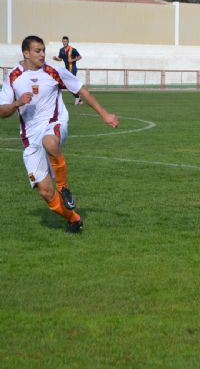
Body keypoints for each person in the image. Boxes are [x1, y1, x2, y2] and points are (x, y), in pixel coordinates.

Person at [0, 35, 119, 233]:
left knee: (50, 142)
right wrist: (17, 103)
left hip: (54, 124)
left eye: (43, 50)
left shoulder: (55, 71)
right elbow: (2, 111)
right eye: (37, 51)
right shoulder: (13, 76)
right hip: (30, 139)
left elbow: (82, 91)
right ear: (26, 53)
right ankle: (74, 219)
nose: (42, 54)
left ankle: (64, 187)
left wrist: (105, 114)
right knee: (46, 192)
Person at [53, 36, 83, 105]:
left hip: (73, 69)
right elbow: (60, 59)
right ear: (62, 42)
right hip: (67, 70)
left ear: (68, 41)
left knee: (69, 84)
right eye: (63, 41)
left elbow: (80, 57)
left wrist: (72, 60)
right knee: (69, 85)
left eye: (66, 41)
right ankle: (79, 99)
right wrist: (56, 59)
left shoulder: (72, 49)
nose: (65, 42)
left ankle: (78, 98)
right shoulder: (61, 50)